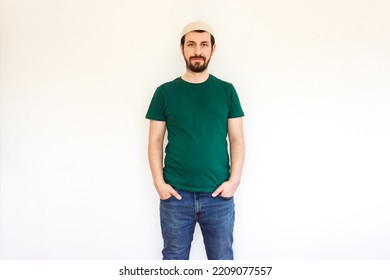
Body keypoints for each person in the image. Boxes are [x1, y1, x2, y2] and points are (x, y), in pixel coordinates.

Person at [146, 21, 245, 260]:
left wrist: (234, 181)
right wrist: (159, 183)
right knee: (173, 262)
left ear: (213, 49)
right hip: (176, 197)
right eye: (191, 44)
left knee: (222, 262)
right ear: (182, 48)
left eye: (203, 44)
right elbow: (155, 141)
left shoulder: (227, 91)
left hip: (218, 196)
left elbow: (237, 139)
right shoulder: (164, 92)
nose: (197, 51)